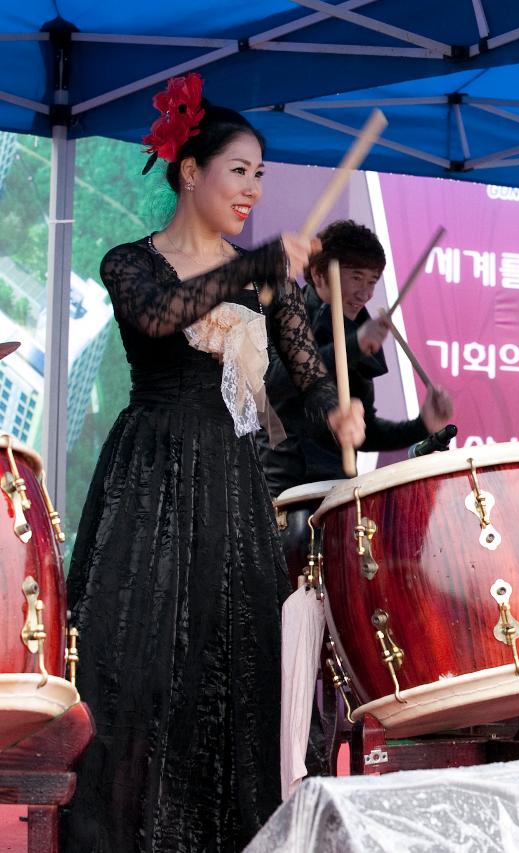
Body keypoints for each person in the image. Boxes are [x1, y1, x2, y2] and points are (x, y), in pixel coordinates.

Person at [62, 73, 364, 851]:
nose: (253, 188)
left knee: (227, 666)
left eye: (262, 175)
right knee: (137, 664)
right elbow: (160, 317)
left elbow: (309, 373)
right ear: (190, 170)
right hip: (151, 481)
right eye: (240, 170)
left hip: (233, 491)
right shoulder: (132, 262)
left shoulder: (267, 278)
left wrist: (339, 409)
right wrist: (255, 265)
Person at [259, 219, 453, 497]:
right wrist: (354, 345)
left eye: (372, 281)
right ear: (319, 274)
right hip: (277, 488)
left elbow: (365, 434)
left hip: (335, 492)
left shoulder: (360, 332)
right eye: (356, 277)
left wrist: (423, 425)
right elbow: (273, 385)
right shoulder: (285, 310)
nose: (365, 293)